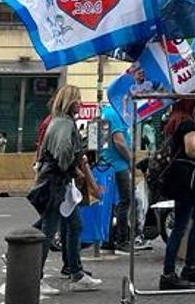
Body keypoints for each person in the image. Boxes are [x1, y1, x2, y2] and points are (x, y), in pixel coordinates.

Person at [33, 86, 100, 291]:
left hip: (57, 182)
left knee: (74, 225)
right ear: (69, 101)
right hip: (57, 183)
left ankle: (76, 273)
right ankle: (37, 277)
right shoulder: (64, 123)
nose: (80, 103)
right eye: (77, 99)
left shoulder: (59, 121)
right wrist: (71, 168)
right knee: (49, 230)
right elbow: (63, 151)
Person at [159, 97, 195, 290]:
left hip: (179, 180)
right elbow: (192, 151)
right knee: (181, 226)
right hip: (187, 182)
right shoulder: (186, 122)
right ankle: (169, 273)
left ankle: (189, 266)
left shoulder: (173, 120)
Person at [97, 104, 133, 254]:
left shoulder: (106, 113)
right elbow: (118, 141)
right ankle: (122, 240)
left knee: (112, 205)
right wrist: (131, 159)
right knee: (125, 202)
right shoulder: (115, 113)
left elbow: (104, 142)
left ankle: (108, 240)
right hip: (118, 165)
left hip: (107, 164)